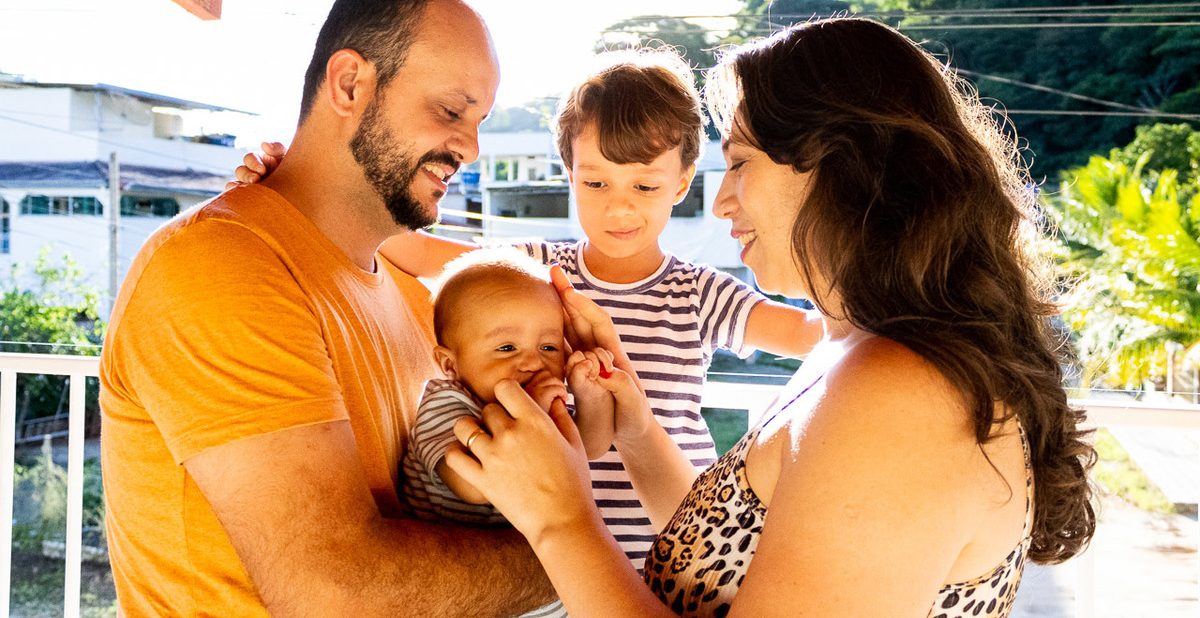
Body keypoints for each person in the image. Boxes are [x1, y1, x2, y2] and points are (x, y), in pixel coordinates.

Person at [444, 17, 1098, 618]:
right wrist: (635, 424)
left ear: (839, 168)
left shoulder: (899, 395)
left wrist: (559, 518)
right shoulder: (860, 355)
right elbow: (727, 553)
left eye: (739, 163)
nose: (722, 202)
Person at [236, 48, 825, 566]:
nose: (619, 208)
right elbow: (412, 248)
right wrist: (302, 188)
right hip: (553, 565)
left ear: (682, 181)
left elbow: (812, 335)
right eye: (596, 183)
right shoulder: (534, 272)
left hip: (675, 551)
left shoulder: (702, 292)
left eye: (644, 186)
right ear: (569, 175)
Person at [100, 0, 559, 618]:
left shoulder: (414, 298)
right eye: (451, 110)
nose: (471, 148)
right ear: (349, 84)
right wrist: (577, 553)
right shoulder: (220, 264)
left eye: (479, 120)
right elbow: (336, 592)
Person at [402, 247, 615, 618]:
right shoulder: (446, 403)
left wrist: (589, 391)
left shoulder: (546, 405)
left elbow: (592, 446)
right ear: (450, 364)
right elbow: (472, 486)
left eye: (548, 346)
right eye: (506, 348)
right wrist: (531, 412)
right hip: (470, 593)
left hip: (543, 595)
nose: (533, 361)